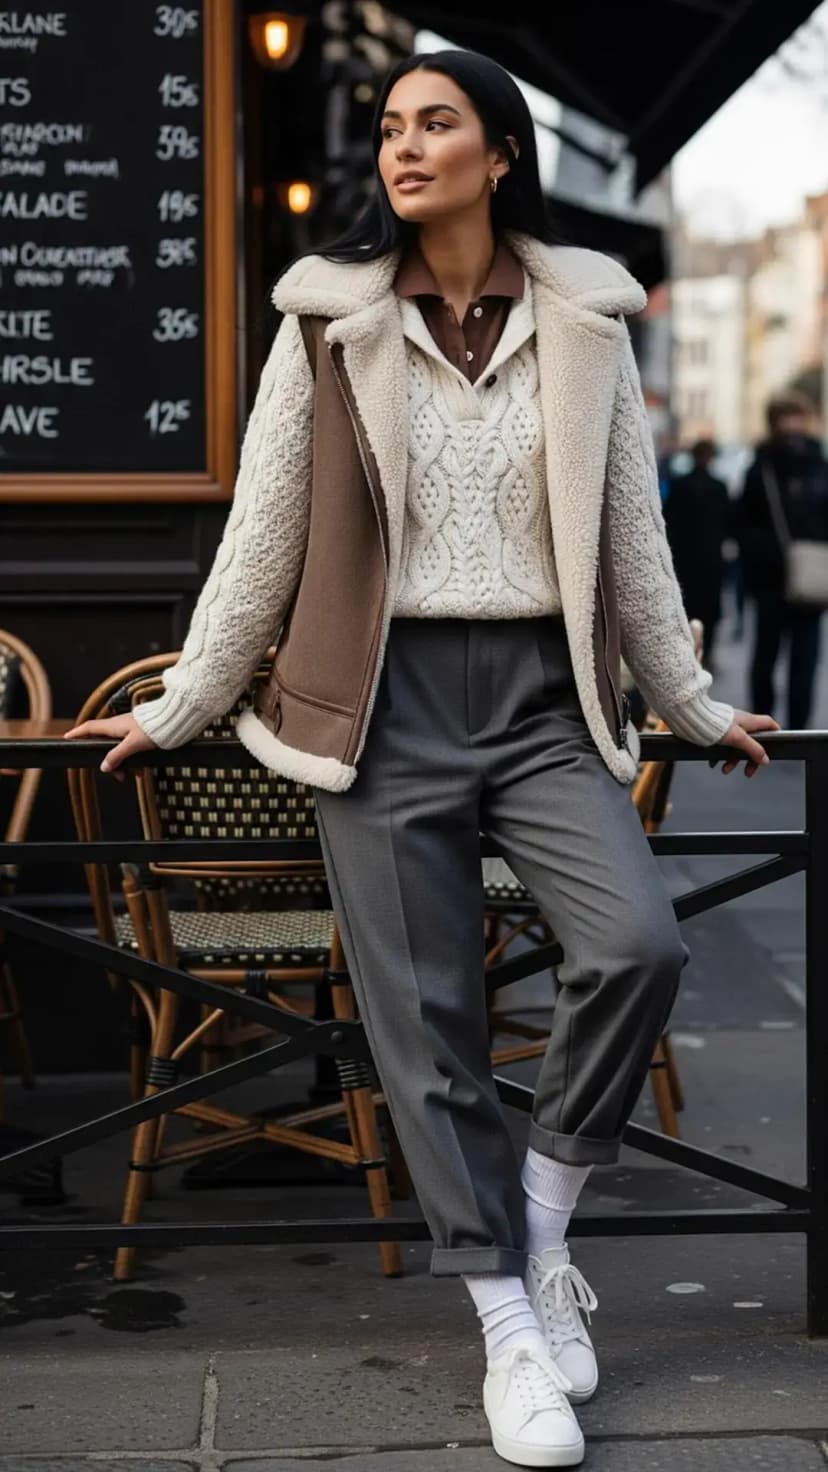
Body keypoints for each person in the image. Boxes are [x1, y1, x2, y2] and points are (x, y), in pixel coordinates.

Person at [65, 50, 779, 1470]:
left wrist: (691, 703)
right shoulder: (328, 327)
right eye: (390, 126)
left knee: (638, 946)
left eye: (435, 123)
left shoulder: (582, 327)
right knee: (430, 1024)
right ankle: (511, 1333)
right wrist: (191, 698)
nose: (404, 147)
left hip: (536, 704)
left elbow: (631, 541)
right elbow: (262, 532)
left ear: (499, 153)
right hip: (380, 713)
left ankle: (544, 1223)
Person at [736, 390, 828, 729]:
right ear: (774, 423)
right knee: (765, 658)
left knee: (805, 663)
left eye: (798, 416)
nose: (793, 425)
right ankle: (765, 723)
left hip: (811, 582)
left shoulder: (820, 465)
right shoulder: (761, 467)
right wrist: (763, 559)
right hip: (770, 581)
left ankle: (801, 732)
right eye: (786, 417)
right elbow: (744, 521)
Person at [663, 438, 731, 672]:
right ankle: (705, 652)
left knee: (687, 608)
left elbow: (669, 522)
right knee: (709, 610)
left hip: (685, 558)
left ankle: (689, 654)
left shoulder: (680, 485)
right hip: (709, 559)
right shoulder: (718, 487)